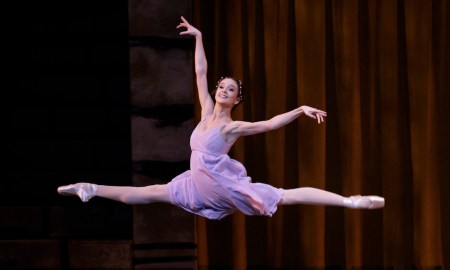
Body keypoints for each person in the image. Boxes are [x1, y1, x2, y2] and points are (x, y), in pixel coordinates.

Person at [57, 16, 384, 220]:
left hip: (219, 185)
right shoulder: (205, 113)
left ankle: (350, 202)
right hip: (196, 185)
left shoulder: (230, 128)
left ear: (237, 99)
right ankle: (91, 188)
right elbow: (201, 71)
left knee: (284, 195)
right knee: (147, 193)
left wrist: (299, 110)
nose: (224, 91)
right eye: (222, 87)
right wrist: (198, 38)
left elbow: (268, 125)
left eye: (231, 90)